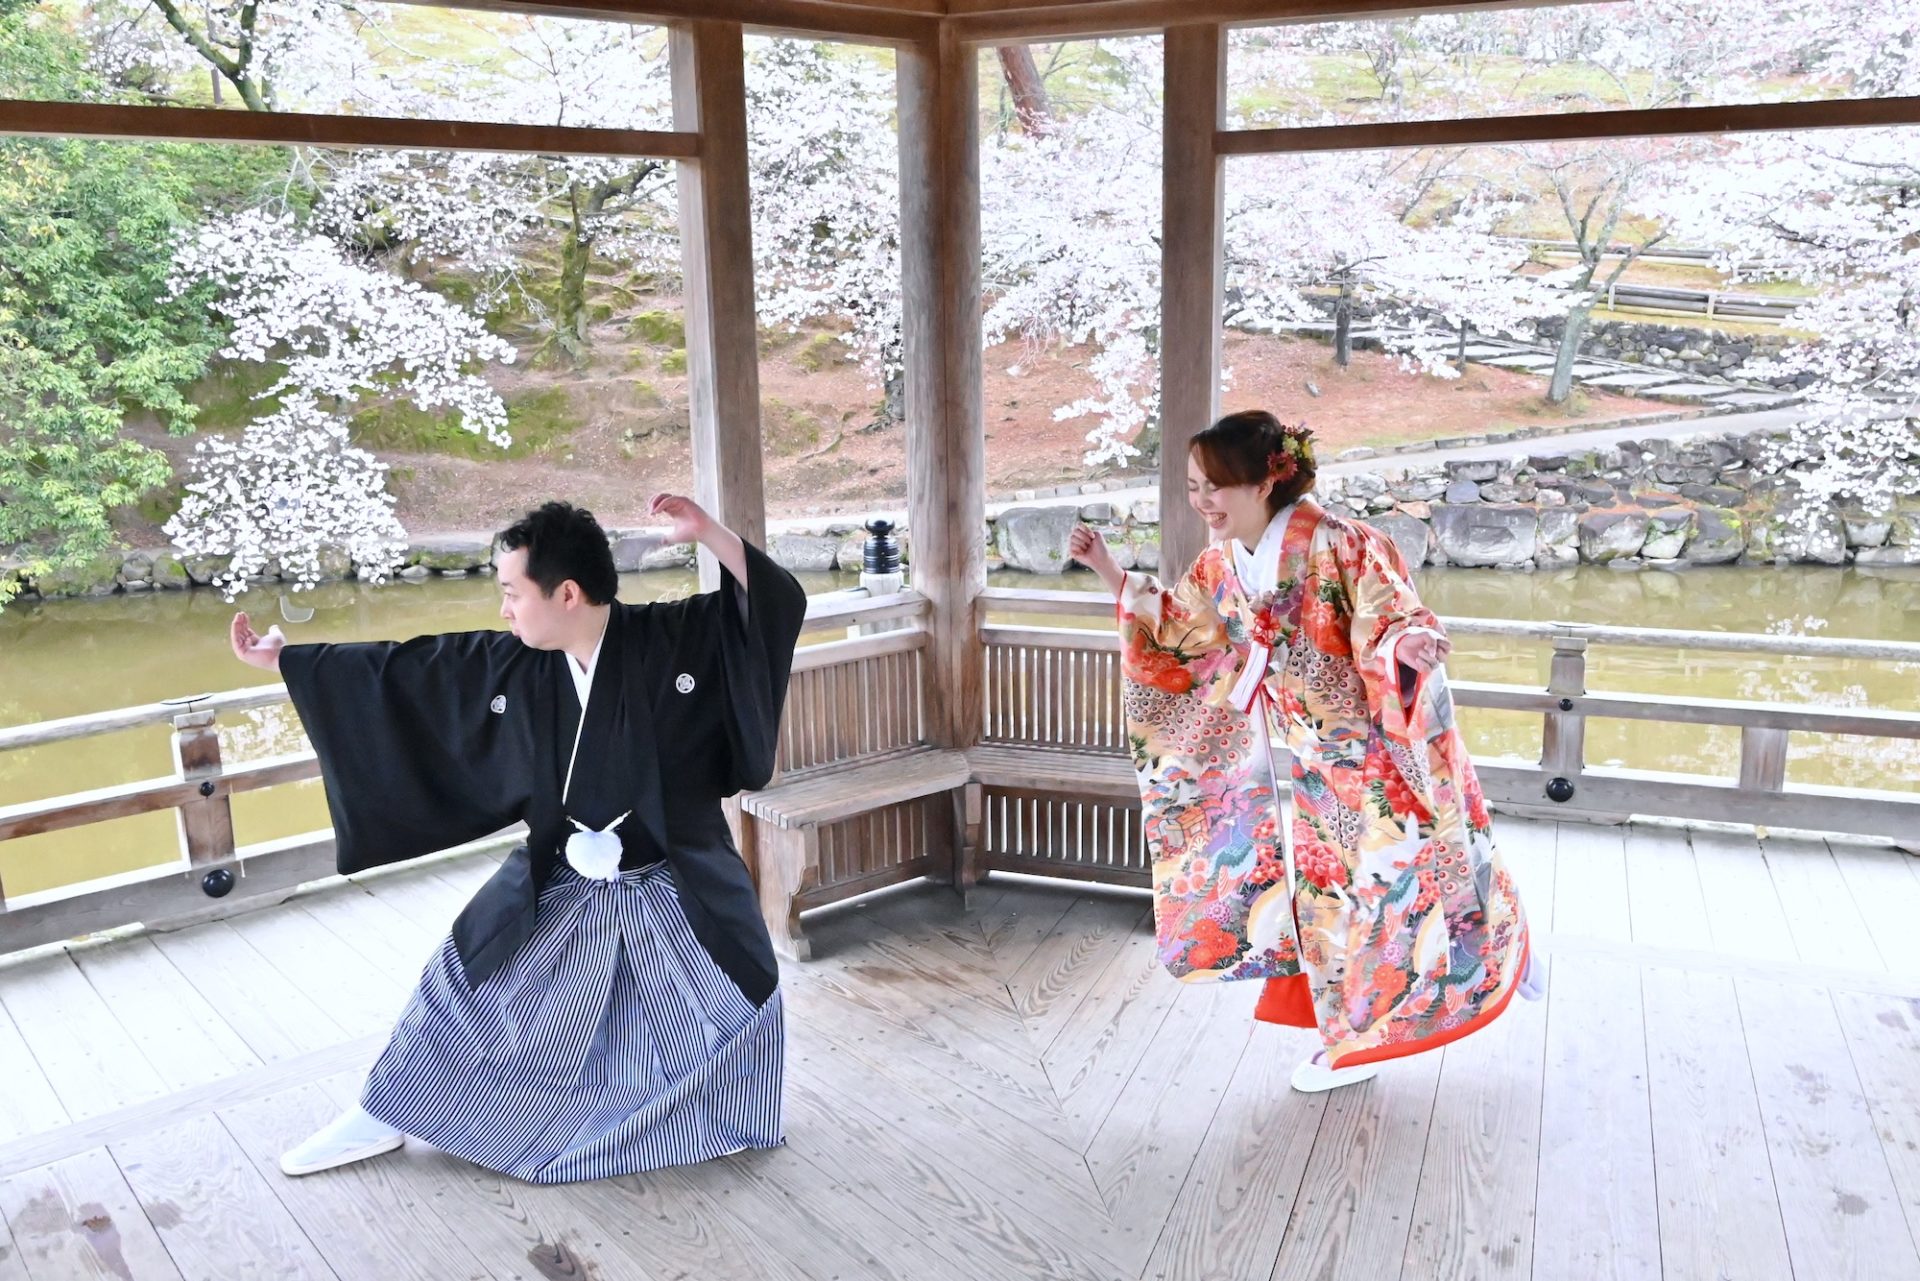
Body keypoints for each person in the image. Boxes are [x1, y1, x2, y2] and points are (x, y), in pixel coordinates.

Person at [230, 495, 807, 1181]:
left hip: (674, 883)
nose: (503, 609)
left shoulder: (677, 638)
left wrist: (710, 533)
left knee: (730, 999)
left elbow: (772, 603)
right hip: (561, 878)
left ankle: (716, 1113)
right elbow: (412, 670)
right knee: (462, 979)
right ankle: (387, 1109)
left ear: (567, 592)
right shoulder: (518, 665)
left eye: (512, 592)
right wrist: (291, 661)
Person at [1068, 411, 1540, 1093]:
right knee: (1335, 898)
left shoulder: (1340, 543)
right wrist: (1107, 567)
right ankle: (1351, 1033)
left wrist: (1404, 646)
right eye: (1194, 486)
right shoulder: (1221, 562)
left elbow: (1391, 609)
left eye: (1215, 487)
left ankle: (1477, 966)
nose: (1201, 501)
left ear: (1267, 481)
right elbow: (1179, 629)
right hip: (1312, 763)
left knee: (1411, 879)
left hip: (1379, 755)